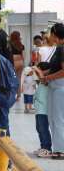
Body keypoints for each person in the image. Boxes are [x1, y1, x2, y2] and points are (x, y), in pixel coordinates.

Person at [35, 23, 64, 160]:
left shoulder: (62, 49)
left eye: (51, 33)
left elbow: (63, 71)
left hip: (59, 87)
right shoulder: (59, 48)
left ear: (55, 35)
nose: (49, 36)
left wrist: (47, 78)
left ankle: (60, 150)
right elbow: (56, 67)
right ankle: (59, 148)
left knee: (58, 118)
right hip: (55, 86)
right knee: (54, 118)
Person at [33, 62, 52, 158]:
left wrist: (38, 71)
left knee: (43, 129)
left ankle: (47, 148)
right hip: (39, 109)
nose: (36, 73)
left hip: (44, 110)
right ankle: (43, 147)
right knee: (39, 128)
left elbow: (44, 81)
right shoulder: (41, 81)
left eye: (39, 70)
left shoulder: (48, 80)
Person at [10, 31, 25, 100]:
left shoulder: (10, 44)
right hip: (21, 61)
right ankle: (18, 95)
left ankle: (12, 95)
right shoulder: (21, 45)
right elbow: (23, 55)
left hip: (14, 61)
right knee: (19, 78)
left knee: (12, 79)